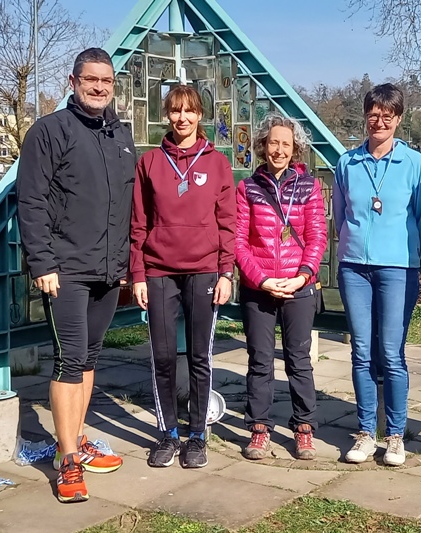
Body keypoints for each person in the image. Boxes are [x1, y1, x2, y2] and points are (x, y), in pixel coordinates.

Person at [17, 48, 133, 503]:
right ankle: (66, 461)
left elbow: (128, 206)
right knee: (69, 361)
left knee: (89, 358)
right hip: (65, 271)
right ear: (73, 80)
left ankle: (77, 438)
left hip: (108, 271)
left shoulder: (120, 135)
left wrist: (126, 265)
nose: (99, 87)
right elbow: (32, 200)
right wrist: (42, 263)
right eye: (91, 80)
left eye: (106, 80)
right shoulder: (49, 131)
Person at [130, 85, 236, 470]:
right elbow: (138, 224)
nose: (182, 118)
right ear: (167, 115)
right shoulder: (150, 163)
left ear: (200, 116)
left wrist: (227, 272)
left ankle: (197, 436)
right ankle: (167, 433)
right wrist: (138, 274)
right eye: (175, 111)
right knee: (161, 356)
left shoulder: (218, 163)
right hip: (158, 271)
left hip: (205, 270)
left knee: (199, 356)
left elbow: (228, 223)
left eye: (189, 111)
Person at [333, 83, 421, 466]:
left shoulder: (414, 164)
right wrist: (353, 245)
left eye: (388, 114)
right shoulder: (348, 163)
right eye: (373, 113)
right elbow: (340, 217)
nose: (380, 120)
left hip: (397, 269)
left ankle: (394, 435)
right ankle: (364, 433)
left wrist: (405, 252)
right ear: (365, 116)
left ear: (399, 118)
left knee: (391, 354)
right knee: (361, 351)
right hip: (355, 268)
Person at [234, 113, 327, 461]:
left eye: (286, 144)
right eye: (273, 142)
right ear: (263, 145)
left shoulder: (310, 187)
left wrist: (303, 276)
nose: (279, 149)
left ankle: (304, 428)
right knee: (259, 360)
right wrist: (262, 279)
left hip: (298, 287)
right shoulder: (247, 188)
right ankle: (259, 429)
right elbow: (238, 242)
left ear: (295, 149)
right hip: (260, 289)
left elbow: (318, 237)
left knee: (298, 360)